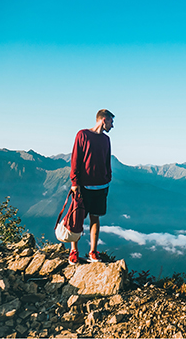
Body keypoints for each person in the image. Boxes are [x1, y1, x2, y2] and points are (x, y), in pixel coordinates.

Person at [68, 109, 114, 264]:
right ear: (104, 120)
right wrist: (75, 183)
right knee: (77, 220)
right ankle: (74, 251)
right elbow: (75, 159)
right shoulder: (82, 135)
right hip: (84, 187)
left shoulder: (106, 140)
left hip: (101, 186)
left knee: (95, 219)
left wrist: (108, 177)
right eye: (111, 122)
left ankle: (93, 252)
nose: (112, 126)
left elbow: (107, 160)